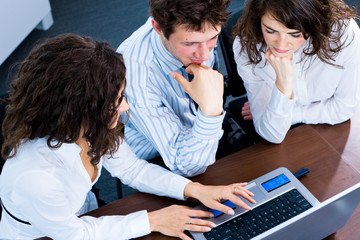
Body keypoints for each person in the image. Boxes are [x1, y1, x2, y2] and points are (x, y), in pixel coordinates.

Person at [0, 34, 255, 240]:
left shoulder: (90, 127)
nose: (125, 107)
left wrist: (195, 190)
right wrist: (154, 220)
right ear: (79, 110)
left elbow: (131, 169)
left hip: (85, 211)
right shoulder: (36, 177)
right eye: (117, 100)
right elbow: (75, 235)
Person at [117, 0, 240, 177]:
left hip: (207, 124)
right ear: (158, 28)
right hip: (161, 156)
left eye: (213, 38)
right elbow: (186, 165)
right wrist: (211, 111)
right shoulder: (135, 76)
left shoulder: (199, 32)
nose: (204, 55)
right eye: (189, 44)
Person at [232, 0, 360, 143]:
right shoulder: (245, 45)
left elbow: (344, 108)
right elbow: (271, 133)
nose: (281, 46)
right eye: (270, 31)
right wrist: (283, 82)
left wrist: (285, 113)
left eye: (295, 34)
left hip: (332, 135)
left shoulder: (344, 34)